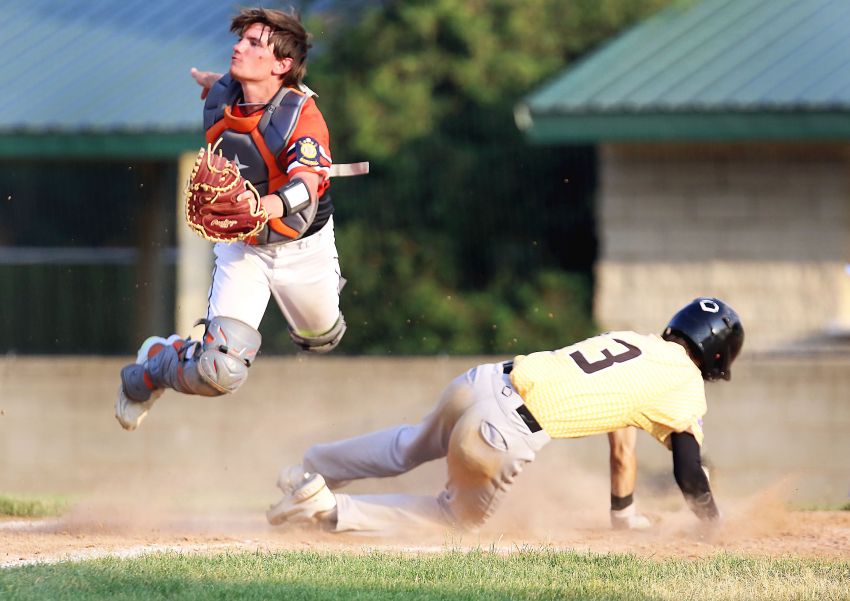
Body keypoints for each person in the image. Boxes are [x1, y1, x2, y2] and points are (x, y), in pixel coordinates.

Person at [265, 297, 744, 535]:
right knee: (454, 519)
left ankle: (311, 470)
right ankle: (326, 509)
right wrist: (712, 526)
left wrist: (624, 514)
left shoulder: (636, 343)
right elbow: (688, 472)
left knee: (408, 445)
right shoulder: (683, 387)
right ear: (719, 357)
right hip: (502, 432)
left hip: (484, 381)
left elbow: (622, 442)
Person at [116, 8, 348, 431]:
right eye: (241, 39)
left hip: (303, 246)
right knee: (218, 373)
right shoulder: (226, 94)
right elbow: (220, 90)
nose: (239, 47)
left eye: (255, 43)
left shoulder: (303, 117)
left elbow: (306, 185)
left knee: (324, 336)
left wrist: (266, 207)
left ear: (283, 65)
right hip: (245, 247)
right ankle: (152, 367)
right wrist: (207, 82)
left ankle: (316, 308)